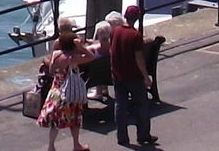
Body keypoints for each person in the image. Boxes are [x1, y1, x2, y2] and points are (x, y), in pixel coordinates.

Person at [34, 20, 93, 151]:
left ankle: (51, 146)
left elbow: (50, 71)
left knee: (55, 121)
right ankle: (76, 144)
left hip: (56, 90)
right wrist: (81, 47)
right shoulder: (73, 58)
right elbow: (91, 56)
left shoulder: (56, 55)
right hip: (70, 91)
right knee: (74, 118)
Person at [105, 9, 155, 147]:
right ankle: (143, 135)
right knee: (141, 105)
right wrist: (146, 76)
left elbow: (112, 51)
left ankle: (122, 137)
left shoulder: (115, 31)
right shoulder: (135, 35)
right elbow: (139, 58)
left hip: (118, 75)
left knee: (120, 105)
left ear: (125, 16)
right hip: (133, 76)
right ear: (137, 18)